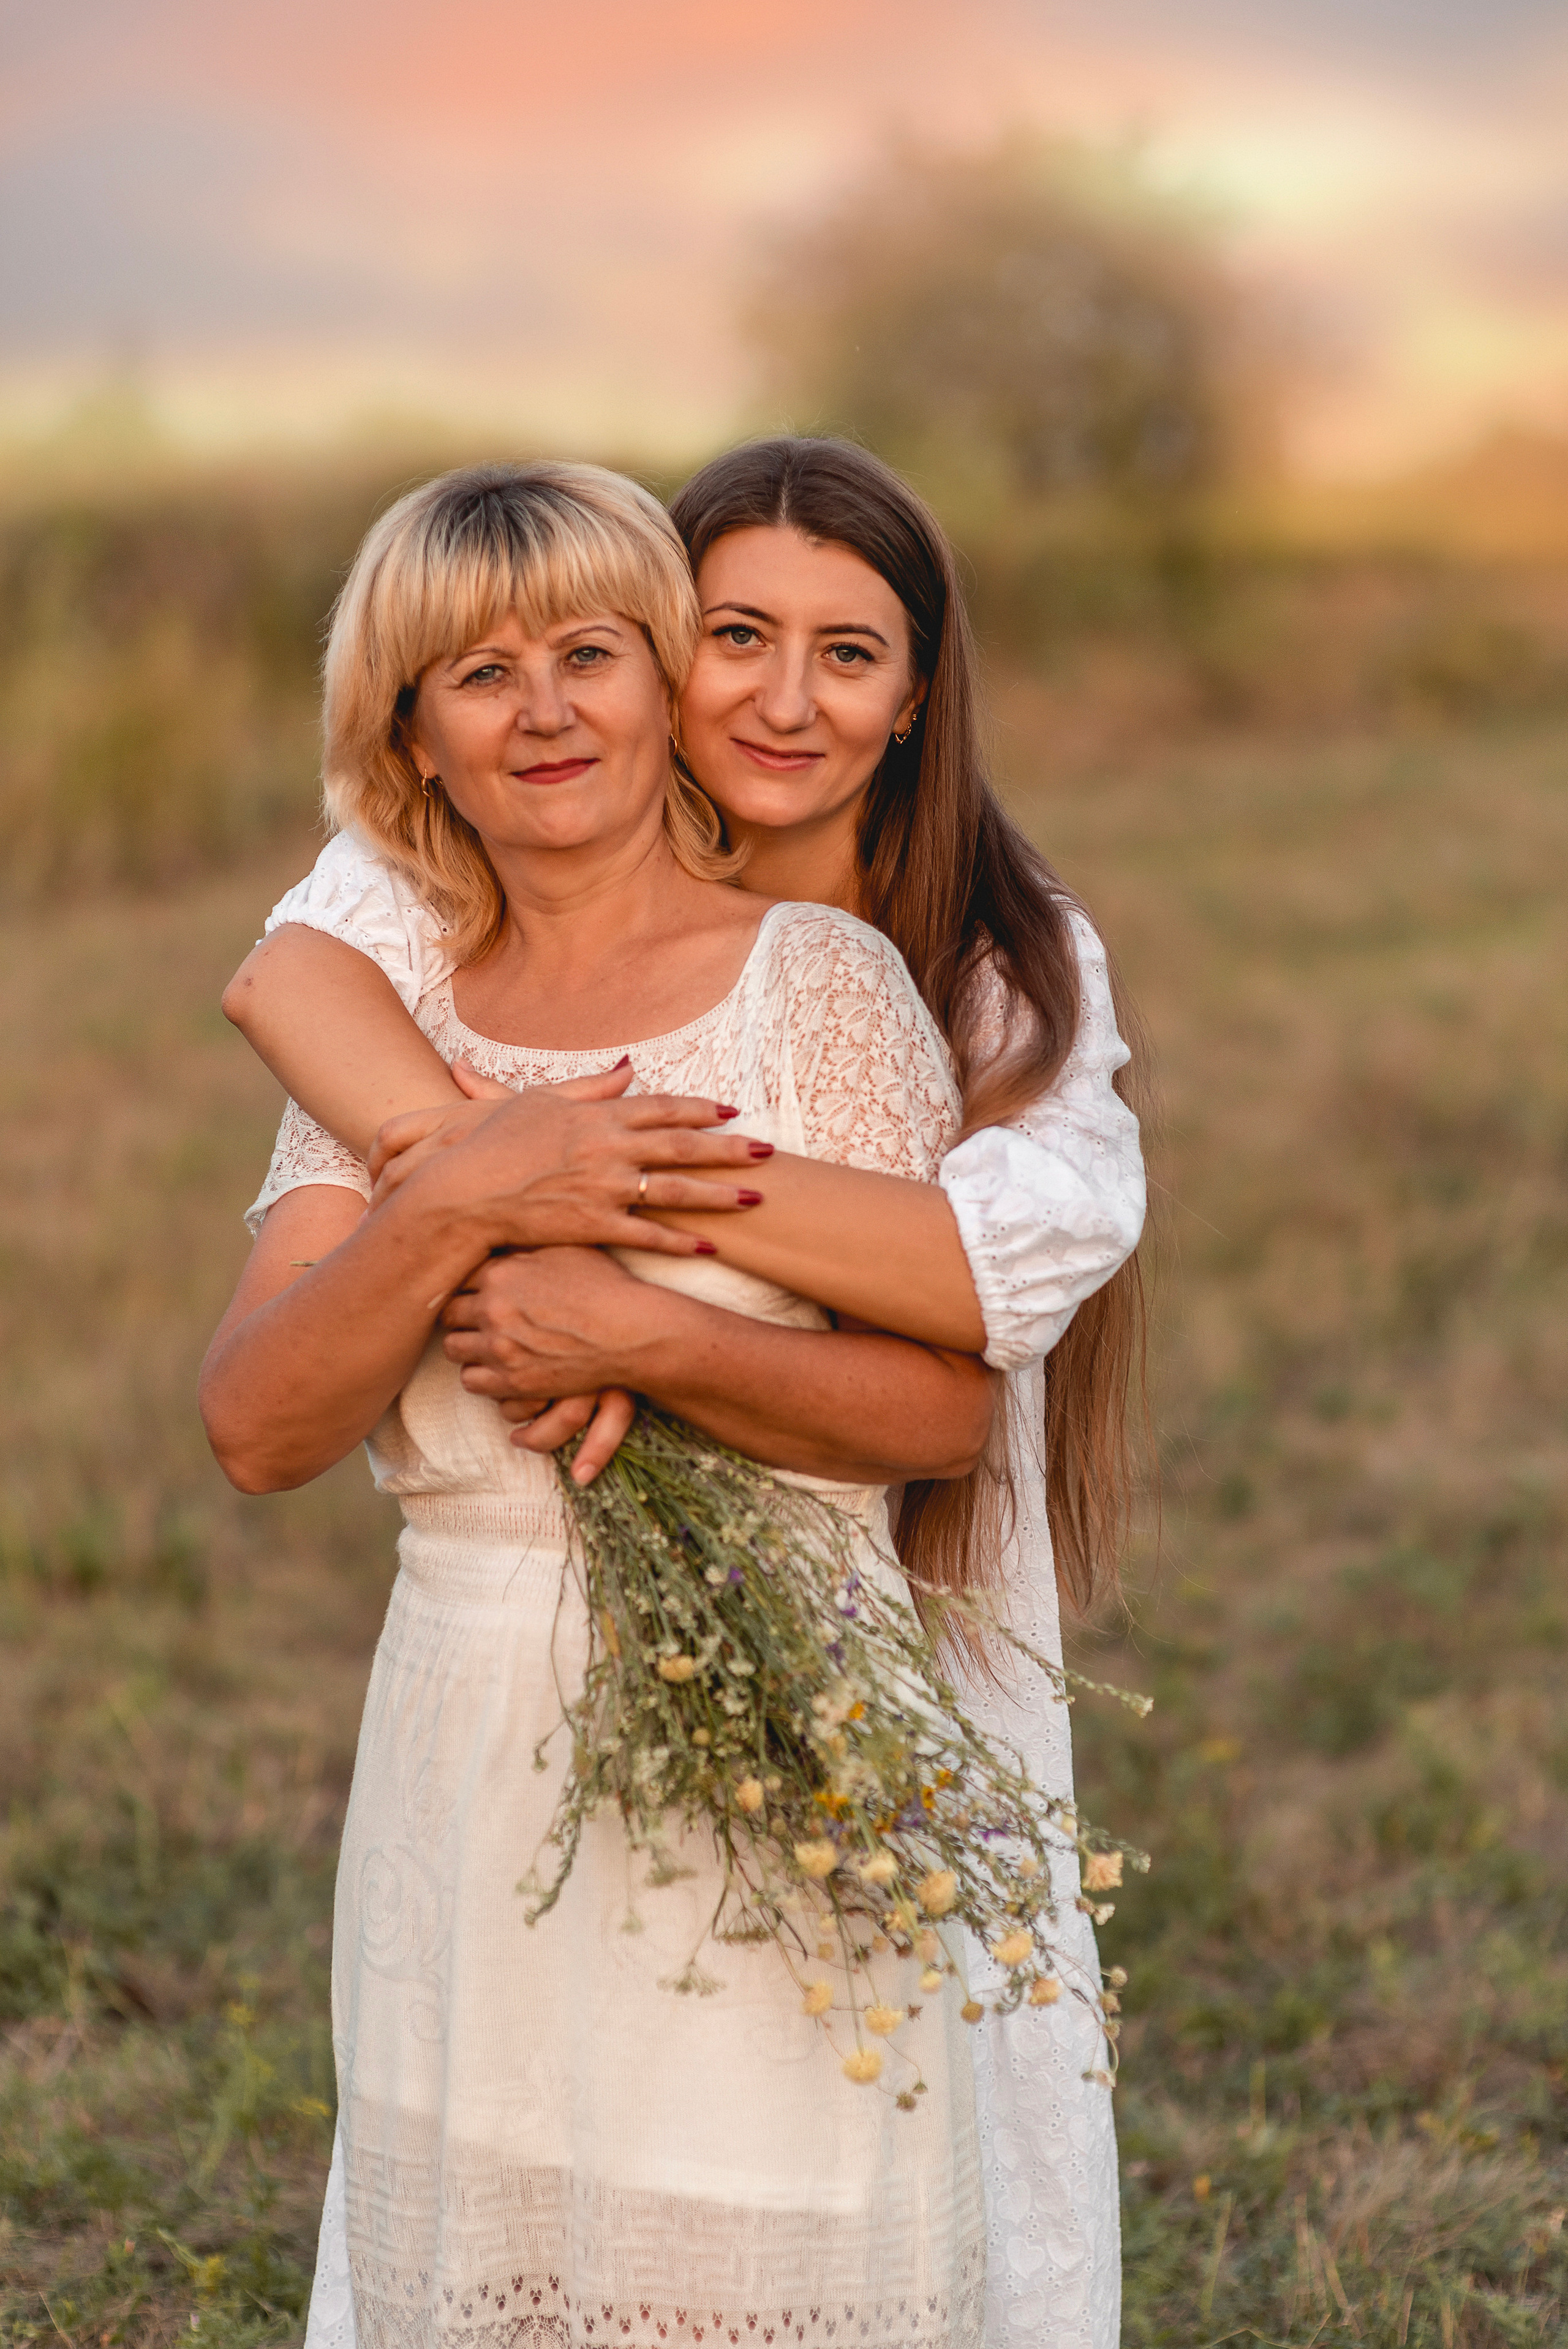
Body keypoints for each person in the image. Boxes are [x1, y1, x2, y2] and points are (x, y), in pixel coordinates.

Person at [224, 441, 1150, 2349]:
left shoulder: (876, 982)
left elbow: (948, 1388)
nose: (547, 706)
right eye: (482, 675)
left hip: (780, 1722)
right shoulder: (397, 983)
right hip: (466, 1746)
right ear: (414, 735)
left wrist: (633, 1320)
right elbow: (256, 1419)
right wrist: (464, 1180)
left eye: (592, 651)